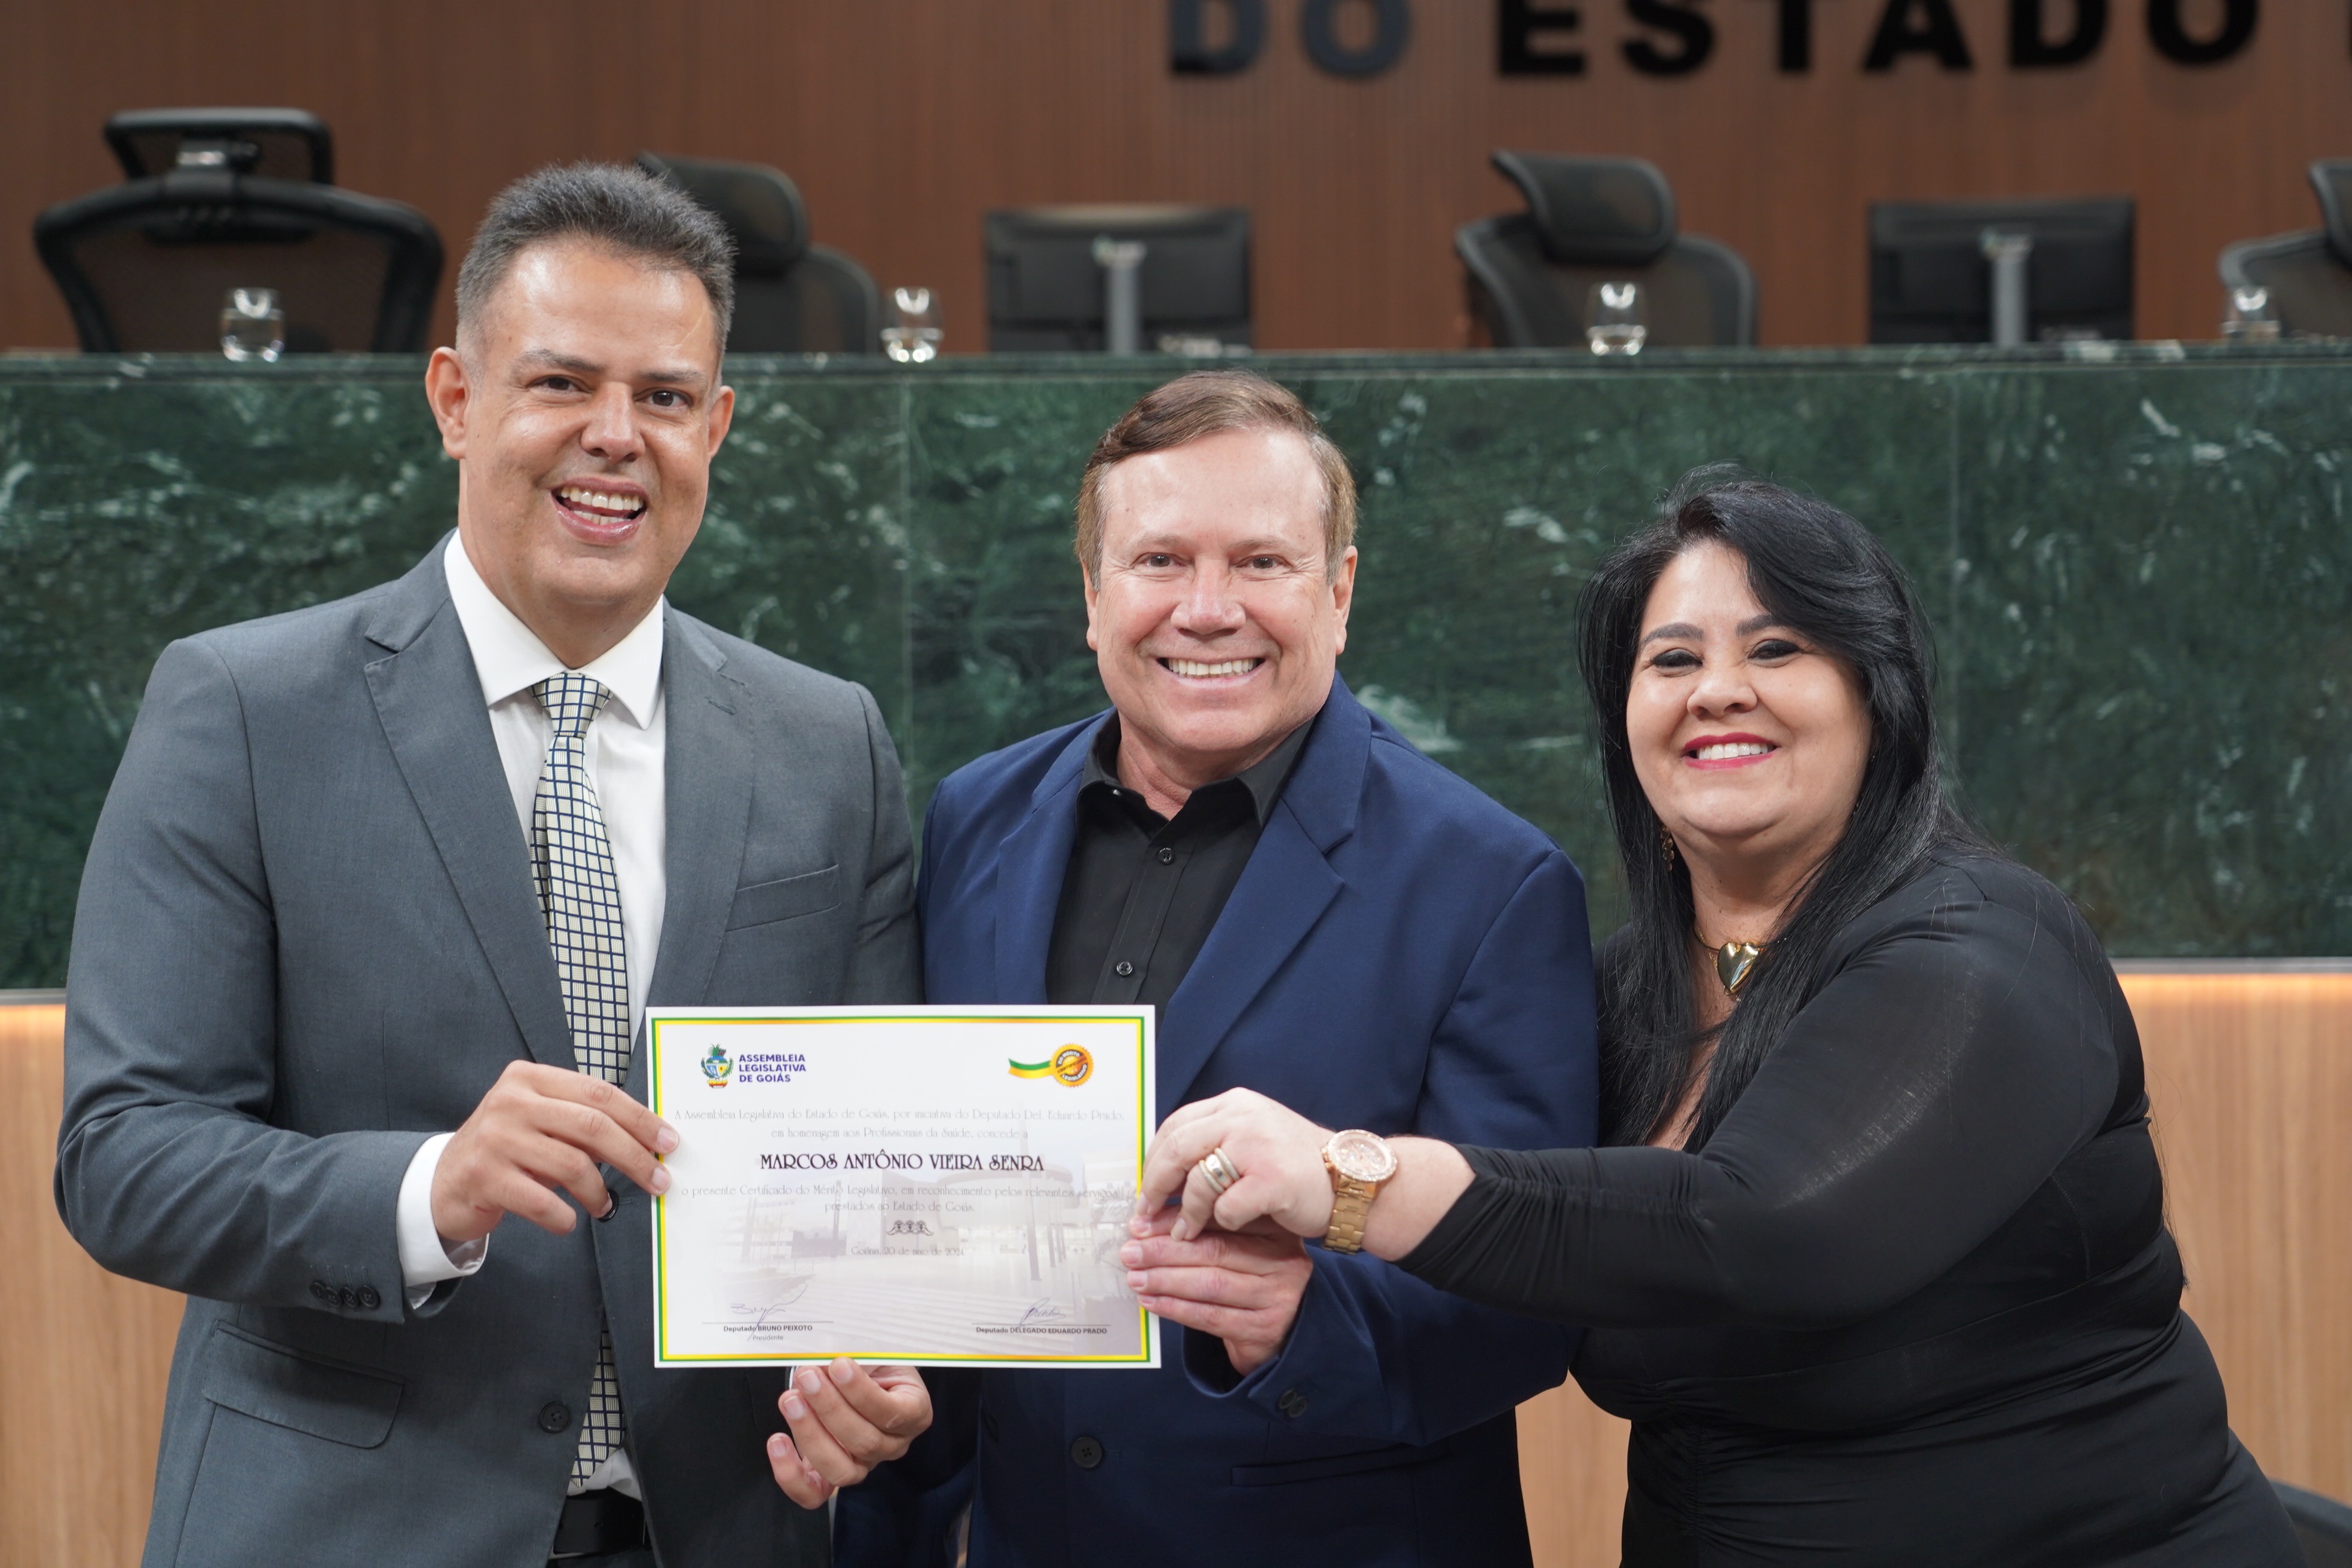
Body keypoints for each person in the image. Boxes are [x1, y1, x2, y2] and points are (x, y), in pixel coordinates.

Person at [1136, 473, 2304, 1566]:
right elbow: (1518, 1247)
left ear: (1880, 695)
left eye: (1777, 648)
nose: (1718, 690)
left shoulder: (1988, 951)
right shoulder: (1610, 993)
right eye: (1673, 658)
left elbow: (1760, 1233)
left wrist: (1348, 1180)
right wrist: (1293, 1302)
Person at [56, 164, 929, 1568]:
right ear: (456, 399)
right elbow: (125, 1157)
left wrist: (878, 1363)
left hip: (717, 1528)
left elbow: (875, 1170)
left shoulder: (831, 744)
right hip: (346, 1534)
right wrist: (428, 1190)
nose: (615, 437)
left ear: (715, 426)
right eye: (561, 383)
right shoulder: (243, 710)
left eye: (663, 397)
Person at [834, 370, 1598, 1567]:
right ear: (1093, 596)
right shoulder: (974, 818)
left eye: (1260, 563)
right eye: (1159, 561)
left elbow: (1536, 1293)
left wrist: (1307, 1319)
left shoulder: (1492, 882)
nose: (1206, 609)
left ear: (1339, 593)